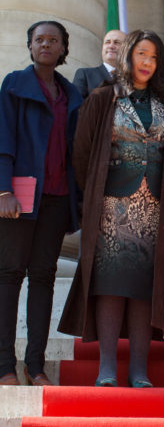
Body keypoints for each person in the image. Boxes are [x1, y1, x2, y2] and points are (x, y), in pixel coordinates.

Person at [58, 30, 164, 388]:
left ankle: (139, 370)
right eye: (141, 54)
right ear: (127, 57)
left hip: (154, 209)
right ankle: (107, 369)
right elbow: (81, 154)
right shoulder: (101, 98)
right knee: (110, 286)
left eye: (153, 57)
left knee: (144, 288)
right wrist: (97, 191)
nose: (146, 63)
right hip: (112, 207)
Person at [0, 20, 81, 386]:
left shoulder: (71, 94)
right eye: (39, 40)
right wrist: (3, 191)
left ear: (64, 48)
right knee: (10, 275)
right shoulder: (14, 86)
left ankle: (35, 366)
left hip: (57, 198)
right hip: (19, 195)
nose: (45, 45)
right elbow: (3, 139)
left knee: (44, 278)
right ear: (29, 46)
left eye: (53, 40)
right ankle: (4, 366)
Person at [73, 29, 126, 98]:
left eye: (116, 43)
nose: (111, 46)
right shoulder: (85, 75)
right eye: (107, 42)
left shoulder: (134, 80)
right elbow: (77, 106)